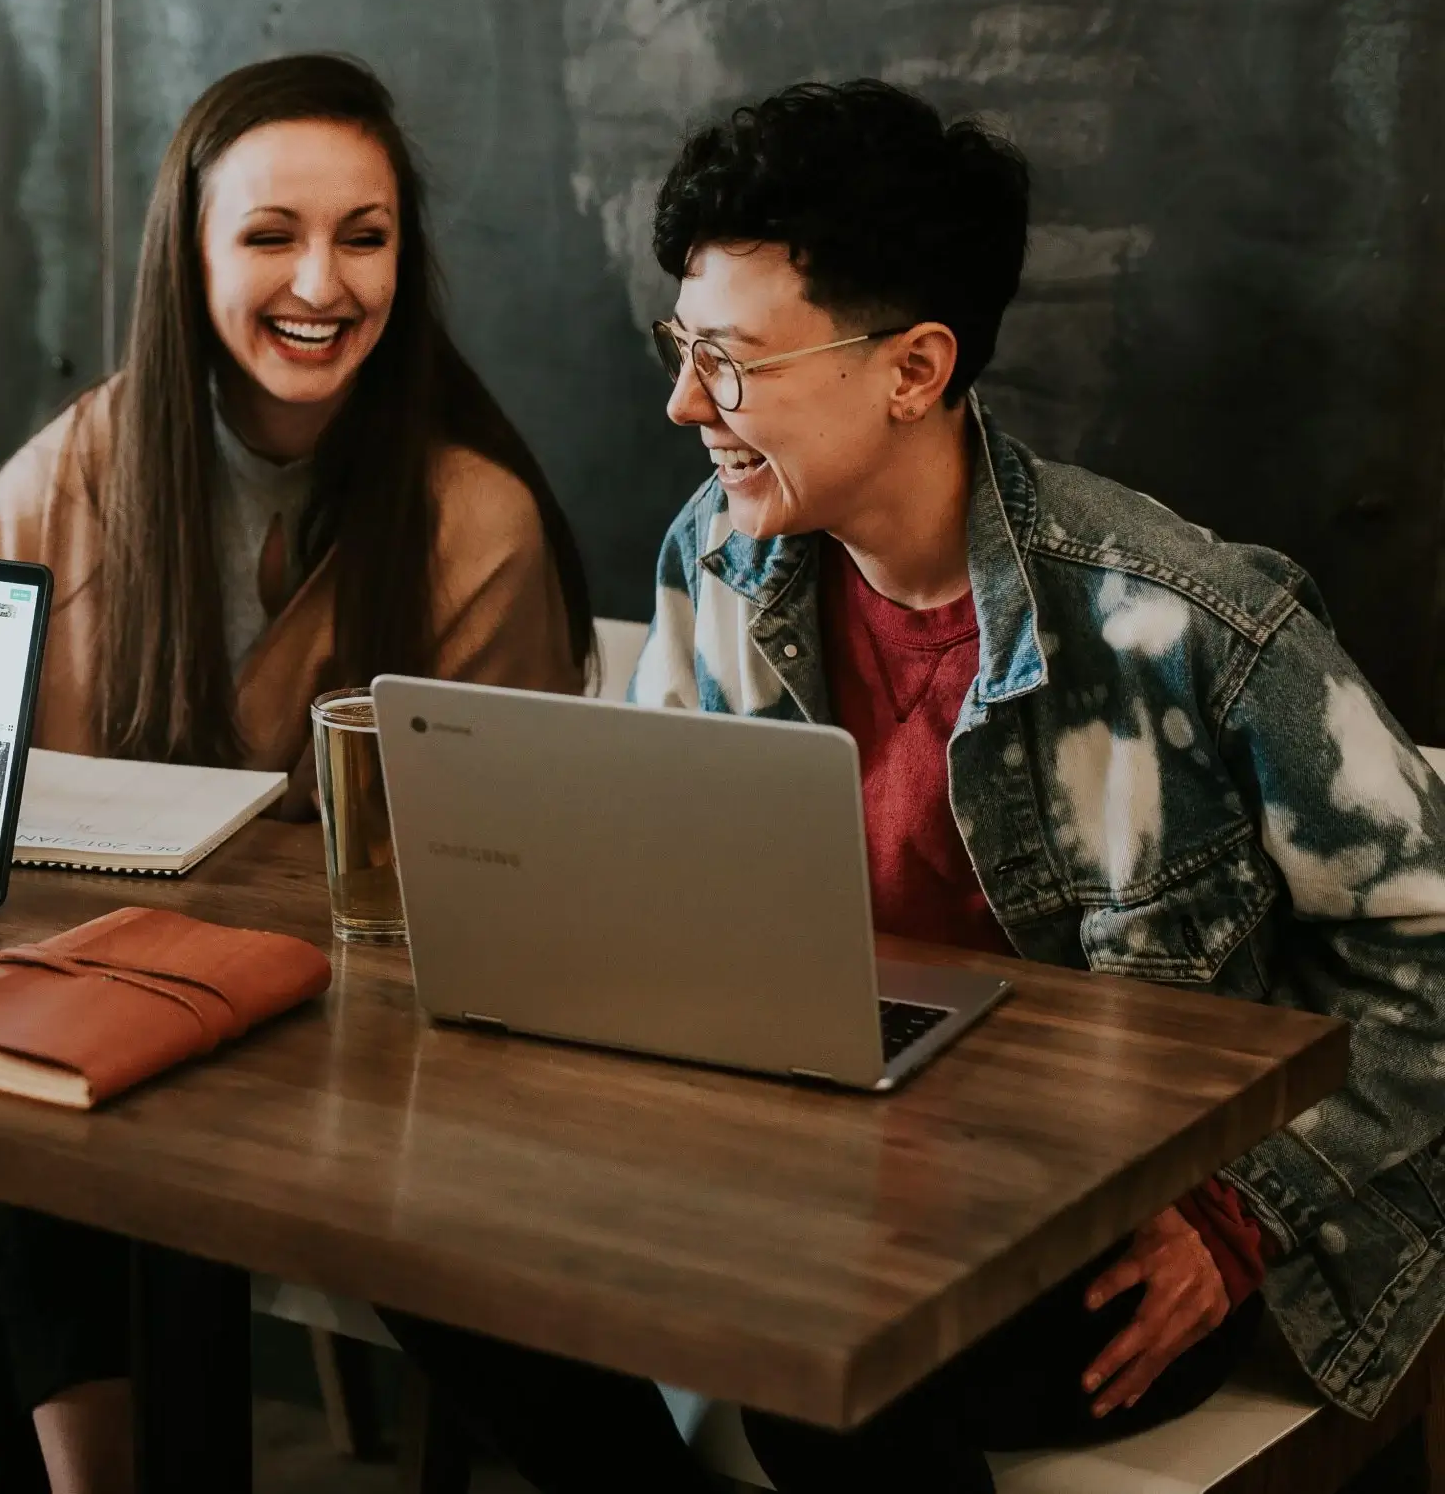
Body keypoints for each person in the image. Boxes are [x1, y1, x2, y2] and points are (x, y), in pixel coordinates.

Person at [381, 78, 1445, 1493]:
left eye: (734, 361)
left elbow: (1424, 952)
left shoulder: (1186, 623)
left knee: (833, 1360)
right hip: (811, 1171)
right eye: (682, 346)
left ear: (914, 367)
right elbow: (661, 910)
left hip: (1100, 1222)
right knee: (421, 1240)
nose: (684, 400)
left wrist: (1244, 1215)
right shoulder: (720, 557)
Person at [0, 53, 592, 1494]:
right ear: (193, 255)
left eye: (365, 236)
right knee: (0, 1106)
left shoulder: (473, 519)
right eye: (272, 234)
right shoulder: (104, 448)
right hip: (115, 1015)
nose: (324, 281)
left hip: (363, 1064)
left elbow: (495, 882)